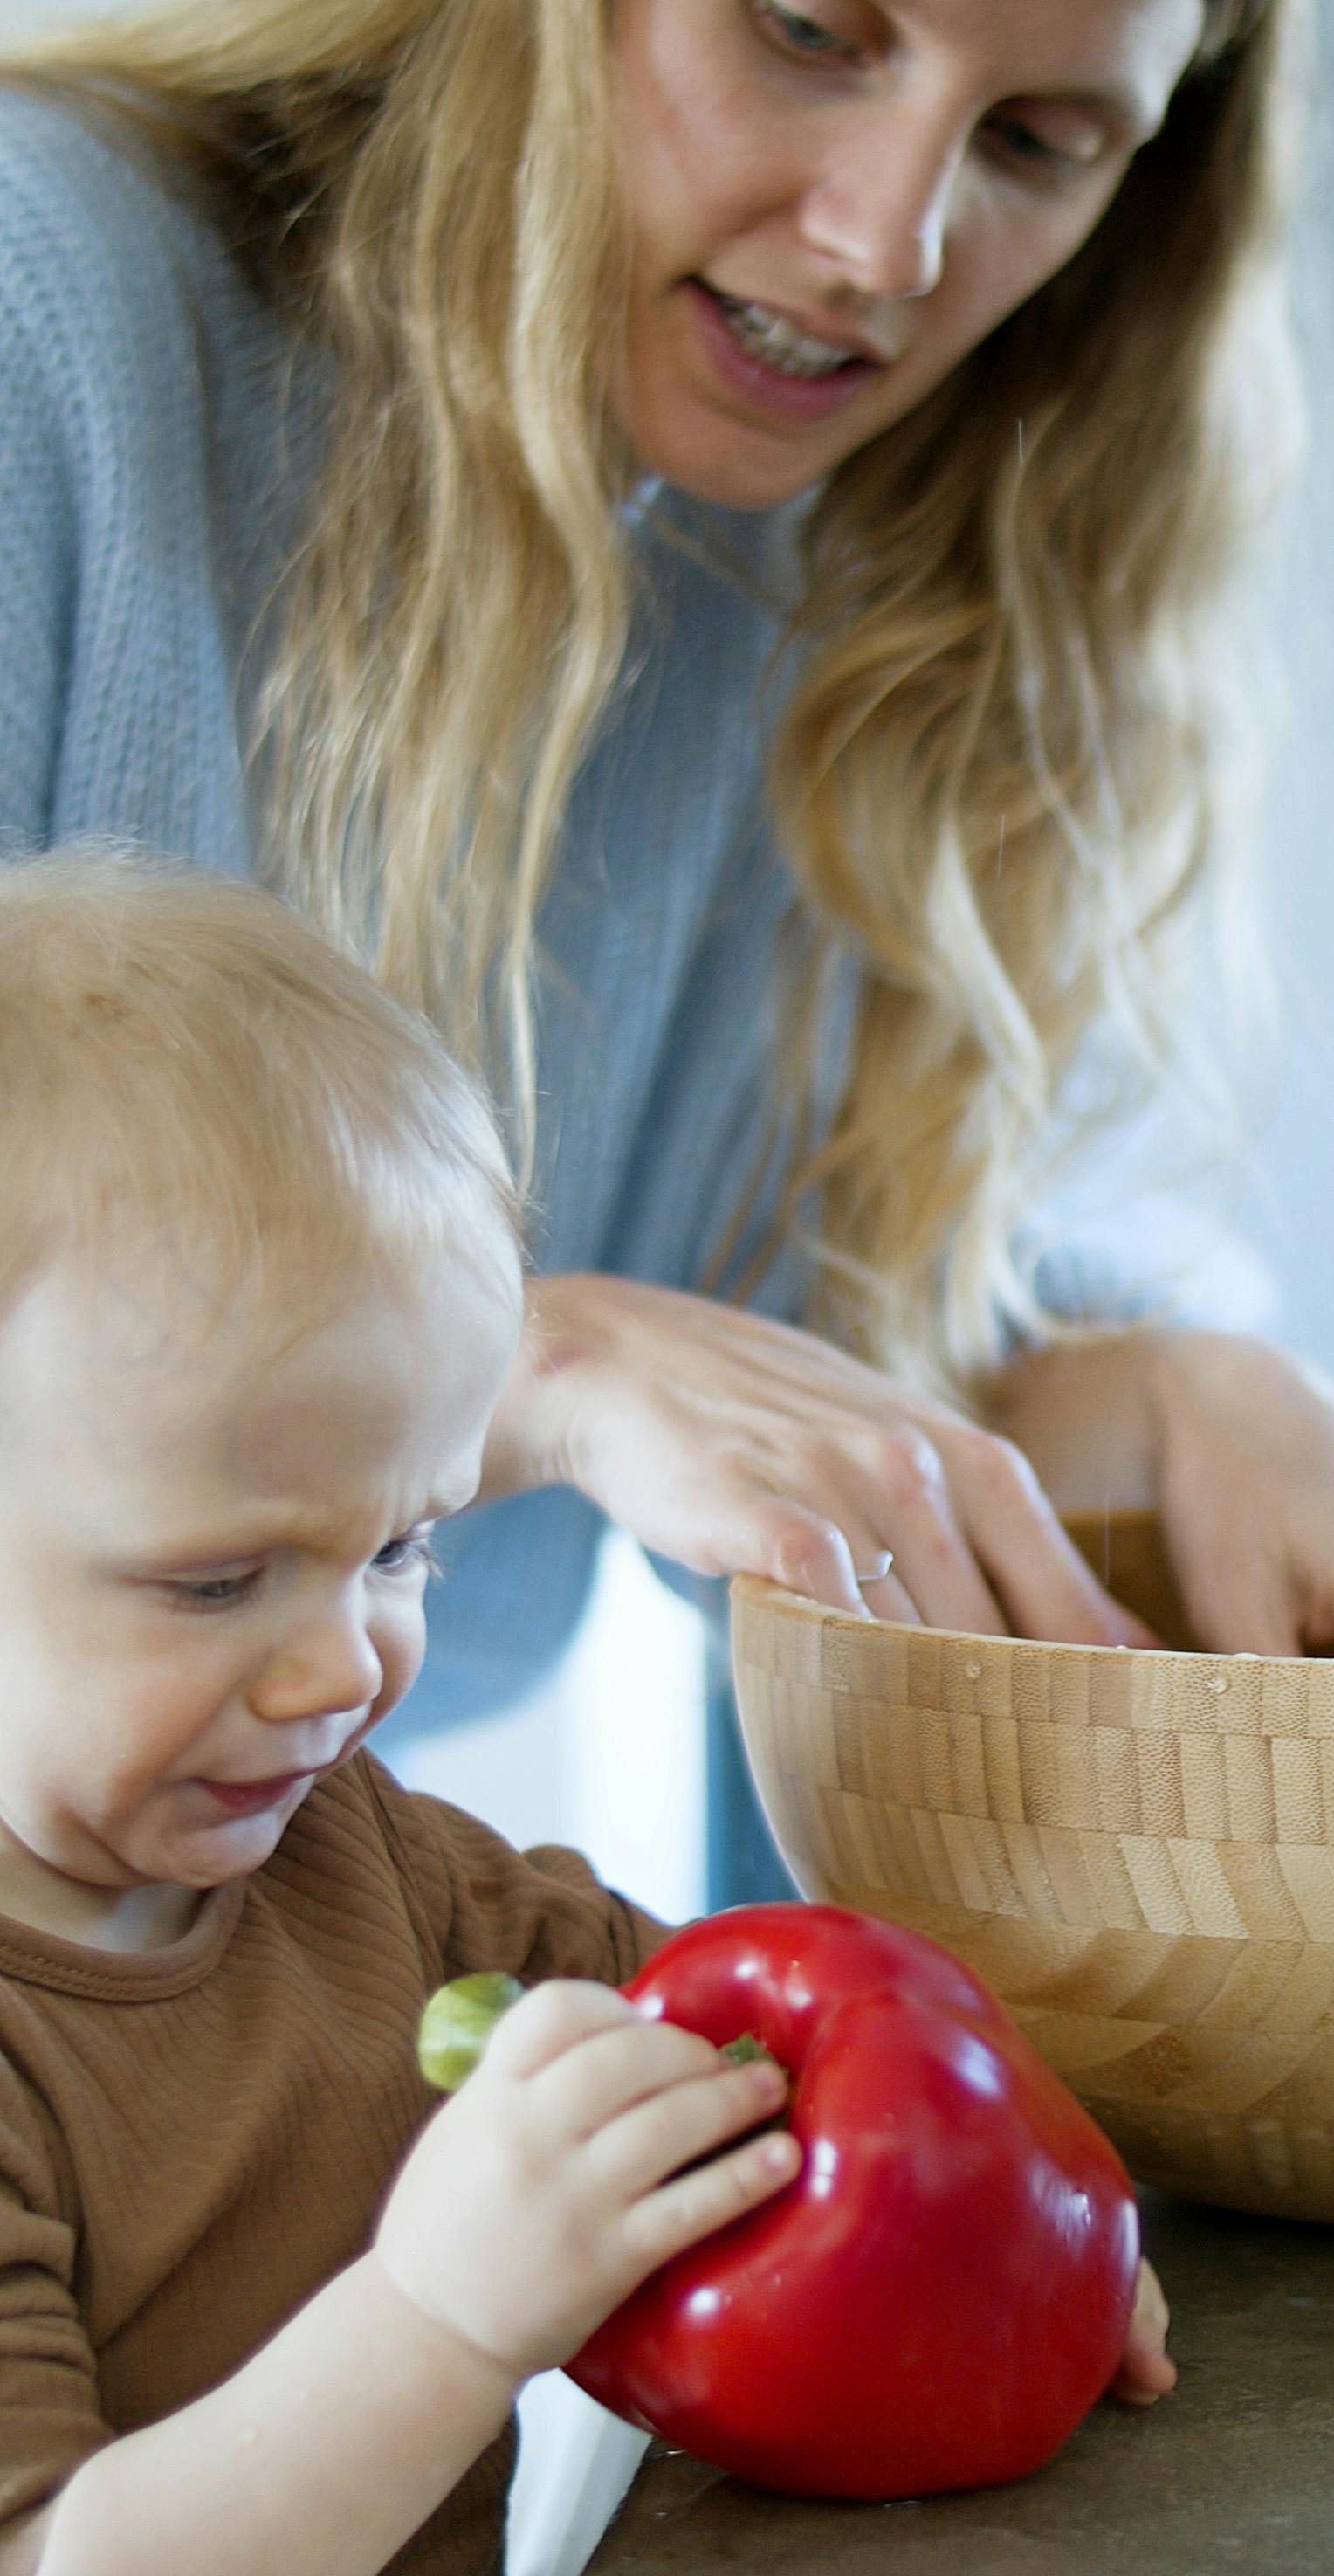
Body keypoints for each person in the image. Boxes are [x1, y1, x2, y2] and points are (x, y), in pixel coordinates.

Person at [0, 0, 1334, 1891]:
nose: (886, 246)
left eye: (1038, 141)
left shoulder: (912, 585)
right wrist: (515, 1350)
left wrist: (1173, 1380)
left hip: (216, 1944)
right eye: (808, 32)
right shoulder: (42, 301)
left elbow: (867, 1331)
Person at [0, 851, 1175, 2576]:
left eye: (398, 1544)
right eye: (216, 1582)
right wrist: (443, 2320)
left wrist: (1030, 2247)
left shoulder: (363, 1867)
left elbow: (748, 2091)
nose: (345, 1673)